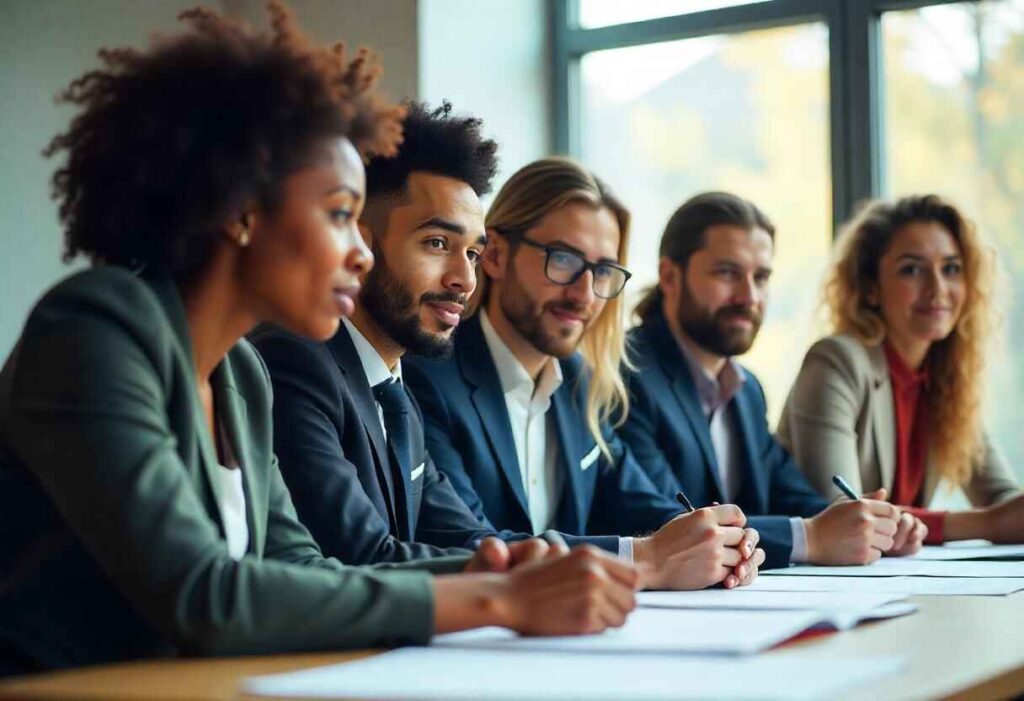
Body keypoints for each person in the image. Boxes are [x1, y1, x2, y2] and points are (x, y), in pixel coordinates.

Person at [0, 4, 638, 676]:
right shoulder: (93, 330)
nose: (361, 254)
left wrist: (498, 565)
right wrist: (498, 595)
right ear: (242, 209)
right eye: (340, 215)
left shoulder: (240, 374)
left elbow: (302, 565)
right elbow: (205, 594)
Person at [405, 159, 765, 591]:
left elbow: (646, 506)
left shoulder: (581, 382)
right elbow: (469, 546)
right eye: (563, 259)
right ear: (497, 255)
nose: (583, 293)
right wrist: (645, 557)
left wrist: (716, 541)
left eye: (602, 271)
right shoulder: (429, 376)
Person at [252, 101, 522, 563]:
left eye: (473, 254)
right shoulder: (294, 362)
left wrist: (631, 557)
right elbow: (362, 556)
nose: (466, 280)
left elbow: (469, 539)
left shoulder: (394, 388)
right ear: (357, 240)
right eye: (437, 244)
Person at [619, 191, 910, 570]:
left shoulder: (747, 390)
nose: (749, 296)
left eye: (761, 277)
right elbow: (662, 526)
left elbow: (792, 496)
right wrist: (812, 537)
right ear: (669, 276)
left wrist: (865, 524)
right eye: (727, 273)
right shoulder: (626, 374)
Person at [778, 194, 1023, 544]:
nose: (937, 289)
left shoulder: (946, 378)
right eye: (912, 269)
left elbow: (1005, 504)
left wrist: (1004, 518)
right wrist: (986, 525)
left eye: (951, 269)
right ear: (871, 288)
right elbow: (841, 516)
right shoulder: (836, 362)